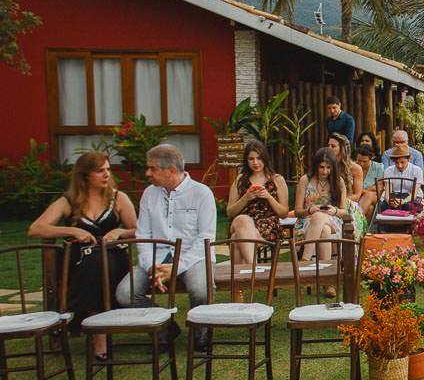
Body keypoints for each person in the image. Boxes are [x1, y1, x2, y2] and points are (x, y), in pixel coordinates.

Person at [28, 151, 137, 358]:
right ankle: (99, 334)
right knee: (92, 265)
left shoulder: (118, 197)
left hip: (112, 257)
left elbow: (139, 230)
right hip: (79, 261)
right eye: (99, 171)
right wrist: (72, 230)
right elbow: (36, 228)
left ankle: (97, 331)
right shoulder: (69, 201)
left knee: (99, 264)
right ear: (85, 175)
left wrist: (119, 231)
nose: (106, 175)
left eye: (108, 170)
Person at [117, 144, 217, 350]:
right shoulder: (149, 194)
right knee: (124, 293)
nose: (147, 173)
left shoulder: (202, 193)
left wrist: (175, 268)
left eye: (152, 168)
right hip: (156, 257)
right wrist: (152, 267)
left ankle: (201, 333)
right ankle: (165, 328)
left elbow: (205, 239)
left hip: (194, 257)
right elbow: (142, 235)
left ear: (171, 170)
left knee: (201, 289)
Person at [225, 140, 289, 273]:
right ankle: (253, 268)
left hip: (268, 224)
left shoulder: (277, 179)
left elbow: (283, 213)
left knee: (235, 238)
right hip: (241, 221)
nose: (255, 162)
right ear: (246, 161)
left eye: (259, 158)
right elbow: (230, 212)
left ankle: (238, 288)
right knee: (242, 219)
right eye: (251, 159)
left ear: (265, 158)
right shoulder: (240, 180)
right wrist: (246, 198)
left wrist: (268, 197)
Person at [295, 147, 349, 267]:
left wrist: (334, 210)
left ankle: (305, 260)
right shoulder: (305, 180)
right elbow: (297, 212)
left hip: (333, 220)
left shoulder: (338, 181)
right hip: (307, 221)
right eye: (321, 167)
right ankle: (327, 282)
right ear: (316, 166)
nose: (325, 171)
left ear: (333, 167)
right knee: (324, 230)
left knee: (320, 216)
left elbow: (344, 211)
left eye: (328, 168)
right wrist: (309, 210)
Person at [326, 132, 366, 238]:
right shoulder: (325, 167)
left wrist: (340, 200)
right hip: (328, 202)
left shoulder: (355, 168)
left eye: (333, 146)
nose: (329, 148)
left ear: (342, 149)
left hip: (348, 204)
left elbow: (357, 195)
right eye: (328, 145)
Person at [381, 142, 424, 213]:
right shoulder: (388, 170)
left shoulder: (417, 170)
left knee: (408, 206)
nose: (399, 165)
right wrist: (390, 201)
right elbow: (388, 192)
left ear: (409, 159)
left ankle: (407, 223)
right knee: (383, 206)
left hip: (412, 197)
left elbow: (414, 193)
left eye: (402, 162)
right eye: (396, 162)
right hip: (395, 196)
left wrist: (404, 201)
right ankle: (388, 223)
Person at [355, 145, 386, 220]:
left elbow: (379, 189)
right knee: (370, 209)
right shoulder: (353, 167)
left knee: (369, 195)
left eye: (364, 161)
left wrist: (361, 190)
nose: (361, 164)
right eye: (358, 160)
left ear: (371, 158)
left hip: (376, 197)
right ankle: (364, 230)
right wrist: (369, 189)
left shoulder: (379, 167)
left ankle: (355, 221)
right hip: (358, 198)